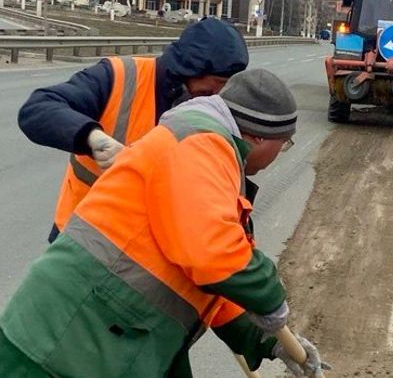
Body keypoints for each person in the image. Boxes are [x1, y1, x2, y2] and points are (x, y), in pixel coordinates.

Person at [0, 69, 328, 377]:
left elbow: (210, 282)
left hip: (110, 338)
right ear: (258, 137)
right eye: (285, 145)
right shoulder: (202, 143)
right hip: (63, 344)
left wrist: (268, 340)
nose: (280, 153)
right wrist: (271, 297)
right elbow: (213, 253)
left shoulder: (207, 149)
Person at [18, 18, 249, 243]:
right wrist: (93, 138)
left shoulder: (214, 107)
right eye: (218, 81)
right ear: (191, 67)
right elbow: (38, 109)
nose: (221, 92)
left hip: (144, 255)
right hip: (82, 242)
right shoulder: (119, 76)